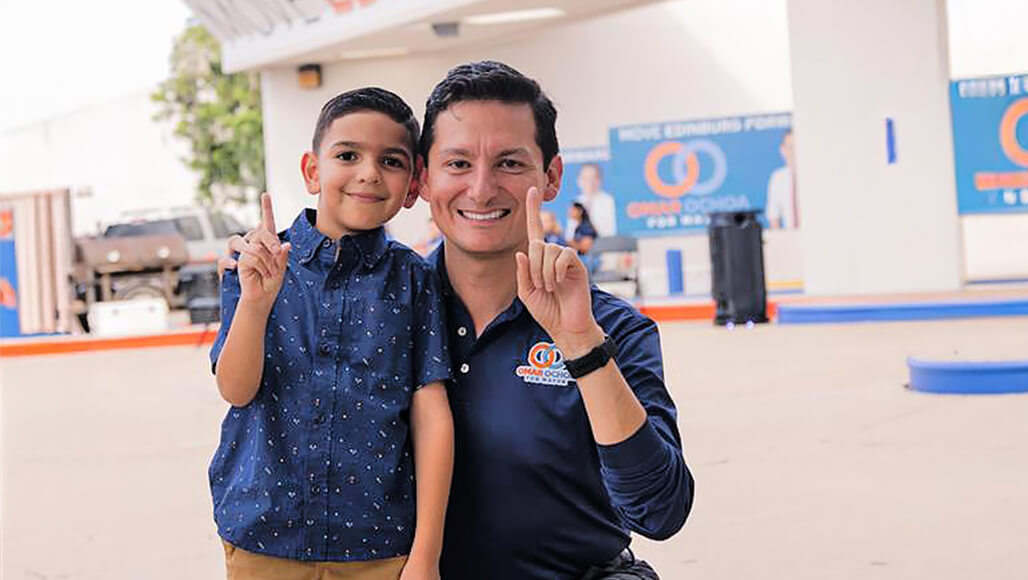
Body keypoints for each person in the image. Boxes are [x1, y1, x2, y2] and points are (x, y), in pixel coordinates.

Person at [225, 61, 693, 579]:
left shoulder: (609, 328)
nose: (482, 188)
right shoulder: (381, 305)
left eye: (510, 163)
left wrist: (582, 345)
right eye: (458, 163)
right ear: (424, 180)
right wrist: (256, 287)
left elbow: (660, 511)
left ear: (552, 177)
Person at [210, 88, 454, 579]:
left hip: (378, 546)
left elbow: (431, 416)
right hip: (264, 536)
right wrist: (256, 303)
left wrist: (426, 555)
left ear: (412, 187)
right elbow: (235, 389)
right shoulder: (256, 264)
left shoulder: (416, 280)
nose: (369, 173)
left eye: (390, 161)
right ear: (312, 170)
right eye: (347, 155)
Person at [571, 162, 617, 236]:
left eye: (594, 178)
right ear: (578, 181)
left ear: (600, 180)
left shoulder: (609, 201)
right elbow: (570, 232)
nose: (590, 182)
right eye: (585, 178)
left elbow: (611, 231)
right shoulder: (576, 202)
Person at [765, 129, 799, 229]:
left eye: (796, 147)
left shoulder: (813, 176)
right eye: (790, 147)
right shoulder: (777, 178)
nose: (793, 152)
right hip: (790, 235)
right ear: (782, 150)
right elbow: (773, 216)